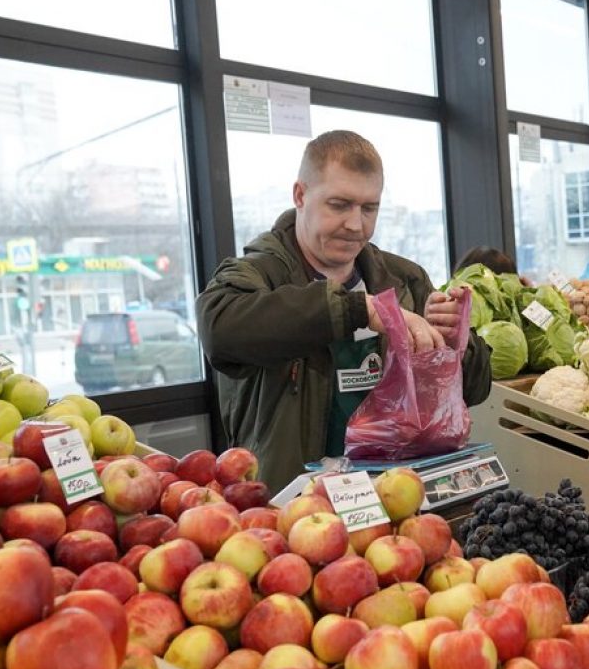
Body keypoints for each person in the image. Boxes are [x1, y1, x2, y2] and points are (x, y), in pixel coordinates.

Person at [197, 130, 492, 491]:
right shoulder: (258, 274)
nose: (356, 224)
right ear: (300, 195)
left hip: (393, 500)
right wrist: (357, 309)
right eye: (339, 205)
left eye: (369, 208)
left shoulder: (405, 280)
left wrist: (453, 345)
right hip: (290, 510)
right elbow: (218, 329)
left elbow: (475, 389)